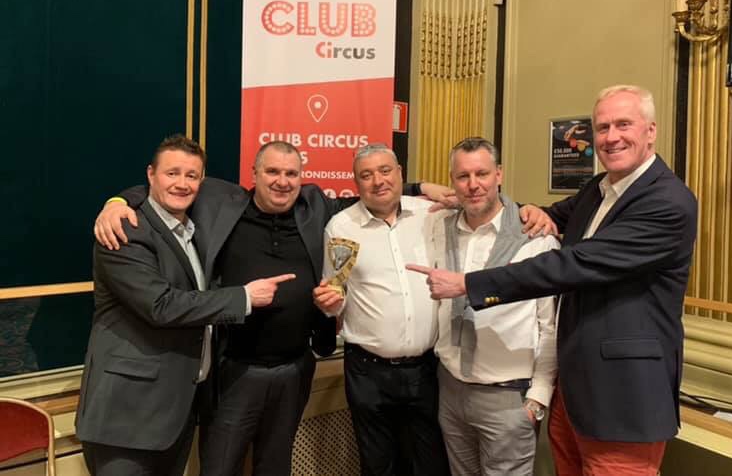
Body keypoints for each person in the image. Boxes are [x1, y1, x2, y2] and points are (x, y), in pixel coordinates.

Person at [92, 141, 450, 476]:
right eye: (272, 172)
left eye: (291, 173)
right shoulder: (221, 203)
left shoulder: (315, 207)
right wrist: (117, 202)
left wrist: (419, 188)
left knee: (275, 467)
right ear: (255, 173)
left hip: (295, 369)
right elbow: (167, 187)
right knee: (219, 467)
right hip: (234, 371)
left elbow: (374, 190)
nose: (282, 181)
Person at [408, 85, 698, 476]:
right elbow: (547, 214)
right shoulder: (598, 189)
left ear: (651, 131)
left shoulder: (667, 202)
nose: (611, 137)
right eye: (602, 127)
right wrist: (518, 208)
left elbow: (574, 263)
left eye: (623, 125)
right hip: (574, 391)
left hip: (623, 396)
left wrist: (469, 284)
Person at [76, 135, 293, 476]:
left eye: (191, 175)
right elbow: (160, 305)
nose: (182, 183)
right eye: (172, 173)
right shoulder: (125, 229)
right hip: (127, 417)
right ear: (151, 175)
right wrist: (244, 297)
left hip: (176, 414)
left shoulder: (192, 230)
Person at [313, 144, 451, 476]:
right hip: (368, 373)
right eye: (367, 175)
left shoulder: (431, 214)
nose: (378, 181)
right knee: (378, 465)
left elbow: (482, 203)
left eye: (385, 171)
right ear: (356, 182)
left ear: (400, 173)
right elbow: (336, 290)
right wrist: (329, 304)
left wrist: (529, 211)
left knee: (431, 464)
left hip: (427, 370)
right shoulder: (340, 227)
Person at [432, 137, 557, 476]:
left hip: (508, 398)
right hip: (450, 388)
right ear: (452, 180)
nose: (473, 185)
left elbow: (549, 327)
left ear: (499, 174)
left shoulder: (535, 238)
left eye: (482, 174)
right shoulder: (439, 229)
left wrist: (538, 398)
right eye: (463, 176)